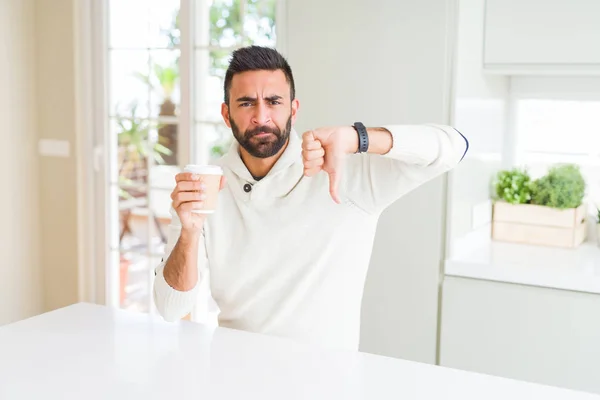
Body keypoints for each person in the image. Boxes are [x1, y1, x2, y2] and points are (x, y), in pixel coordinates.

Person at [153, 45, 468, 351]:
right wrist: (189, 233)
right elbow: (170, 308)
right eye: (247, 103)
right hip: (236, 373)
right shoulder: (204, 187)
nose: (261, 116)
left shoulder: (345, 170)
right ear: (226, 113)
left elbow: (454, 146)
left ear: (294, 108)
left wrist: (359, 137)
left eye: (274, 101)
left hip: (326, 380)